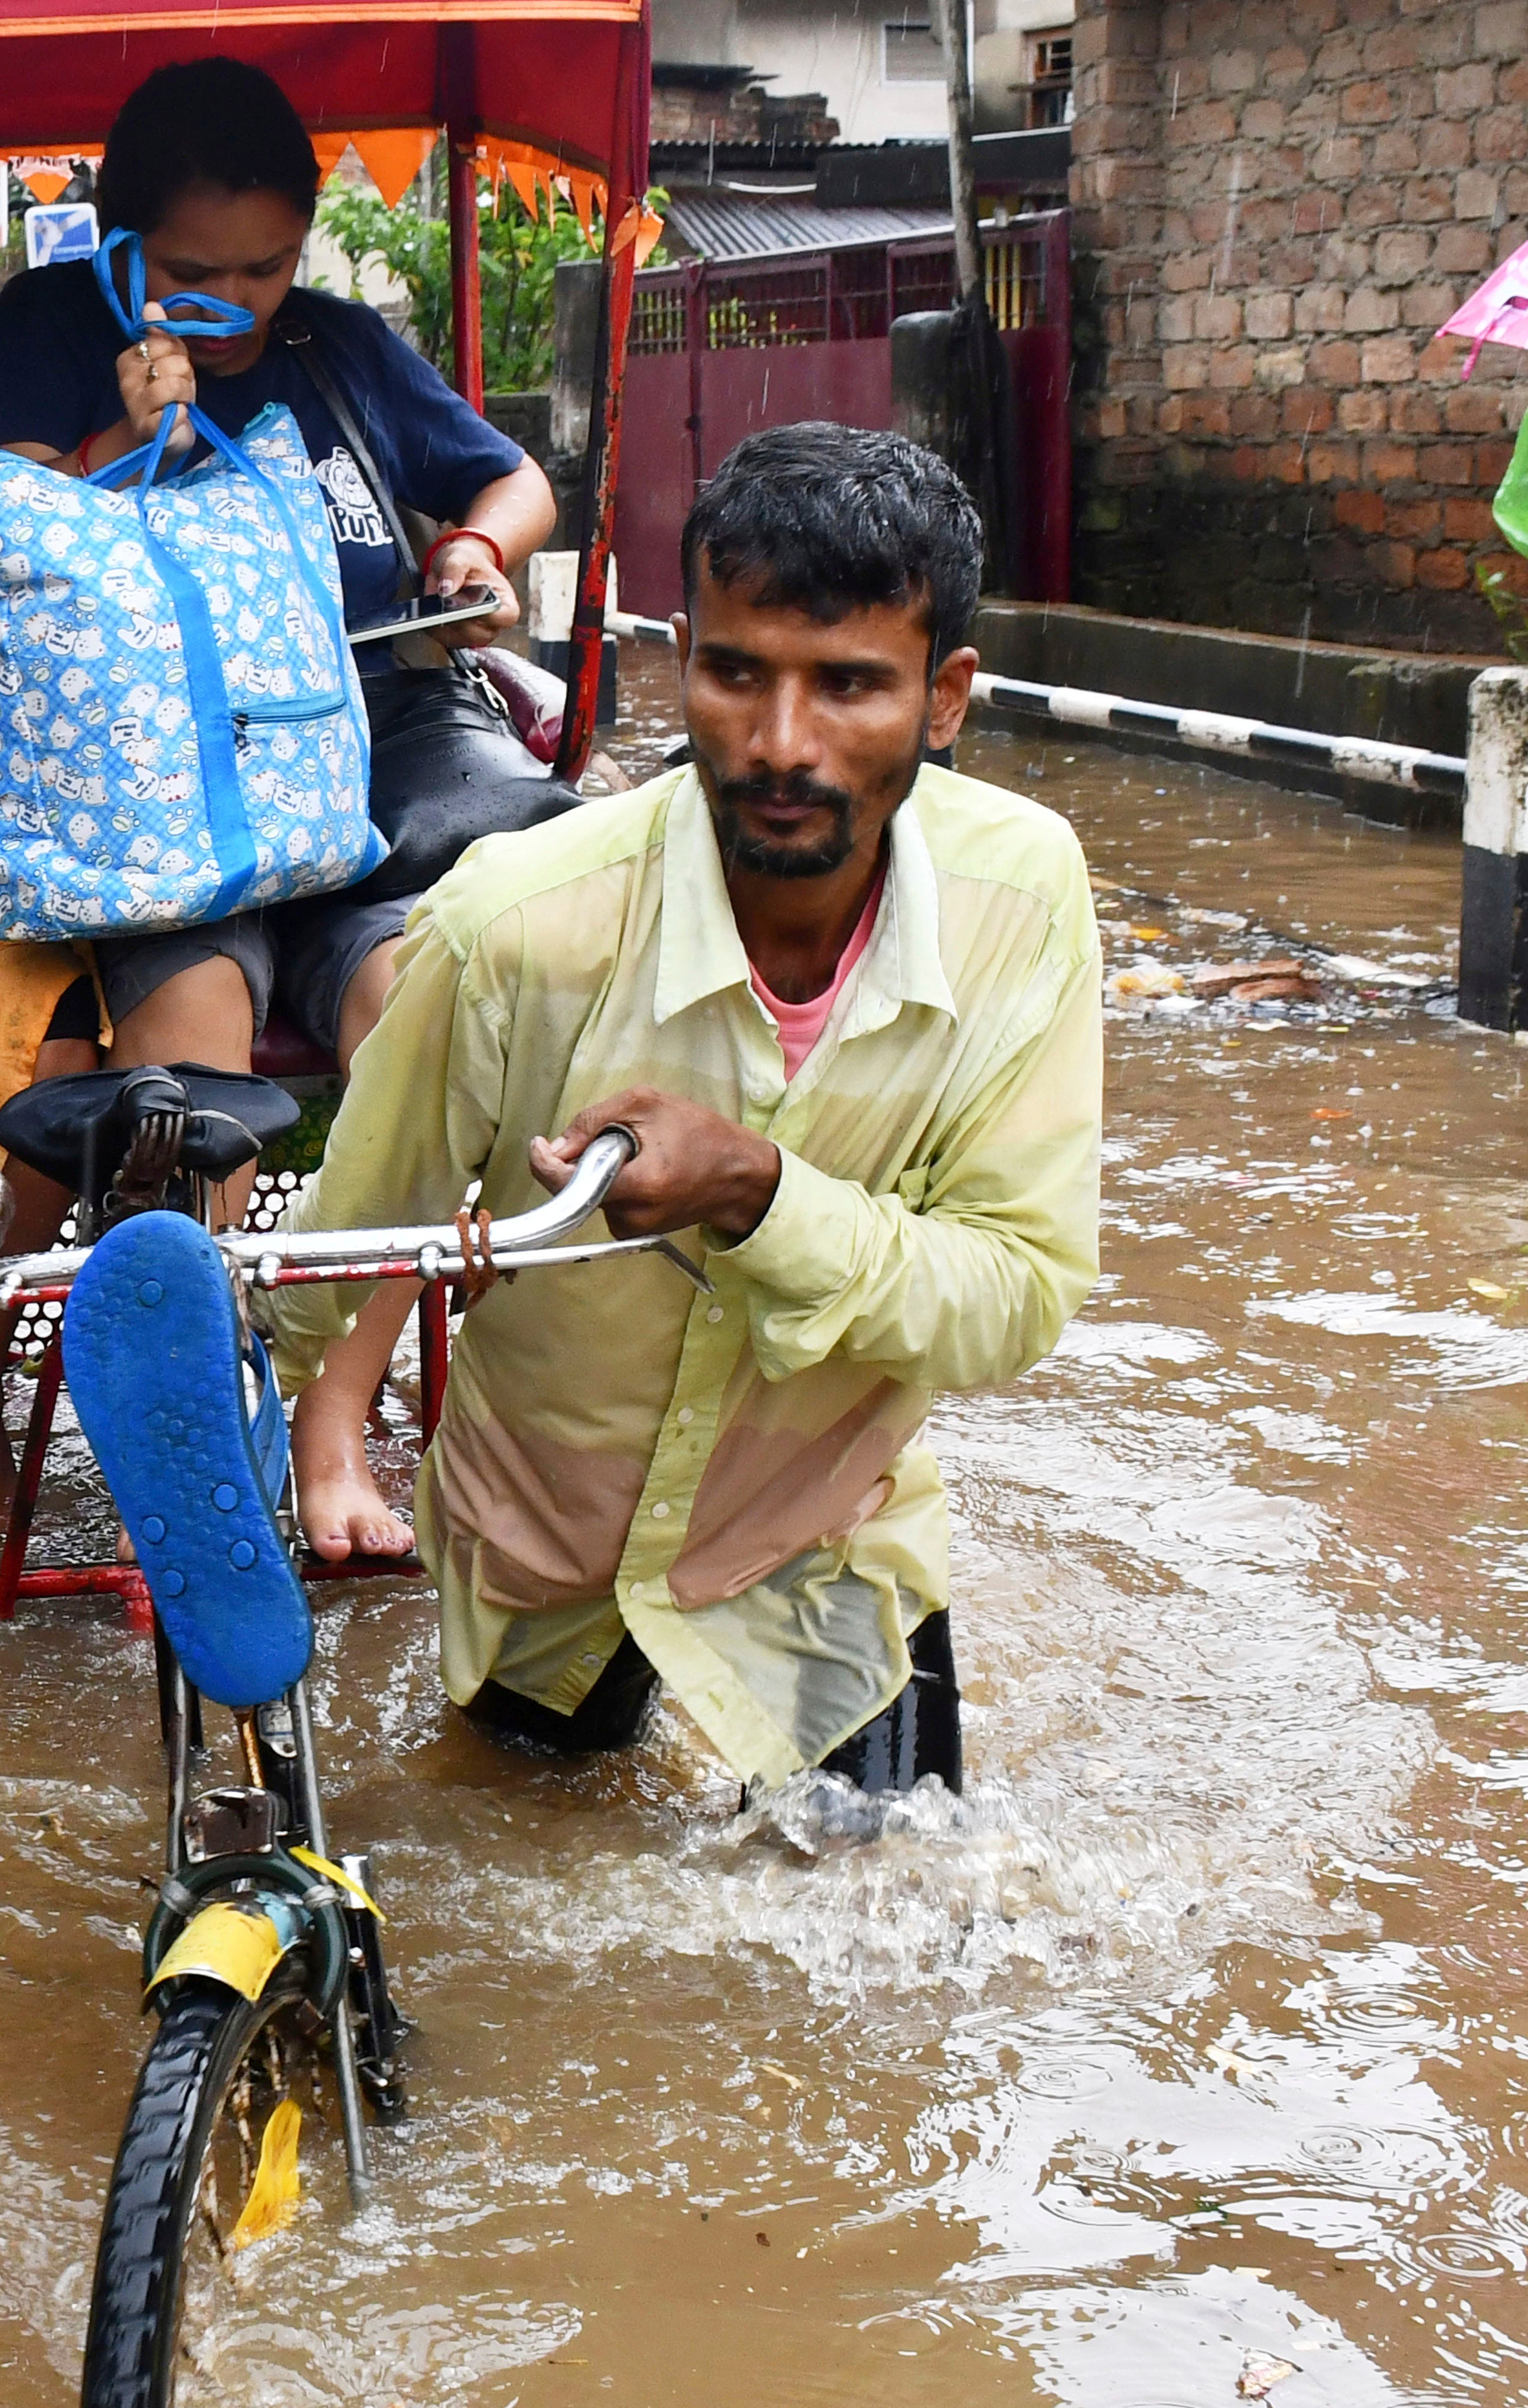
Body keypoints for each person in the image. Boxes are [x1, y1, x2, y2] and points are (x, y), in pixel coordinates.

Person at [272, 424, 1099, 1798]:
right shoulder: (510, 926)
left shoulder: (1021, 899)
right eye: (733, 674)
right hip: (544, 1537)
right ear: (678, 656)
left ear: (943, 696)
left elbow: (1013, 1292)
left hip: (820, 1535)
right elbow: (348, 1236)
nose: (781, 745)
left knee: (884, 1945)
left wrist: (753, 1190)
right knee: (514, 1885)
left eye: (846, 685)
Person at [0, 54, 564, 1078]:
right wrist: (120, 444)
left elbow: (515, 481)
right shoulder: (51, 330)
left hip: (376, 778)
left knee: (417, 993)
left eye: (267, 267)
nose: (233, 303)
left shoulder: (338, 345)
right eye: (190, 276)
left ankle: (399, 1235)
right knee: (193, 1026)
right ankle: (185, 1242)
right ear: (117, 236)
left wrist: (470, 550)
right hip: (160, 794)